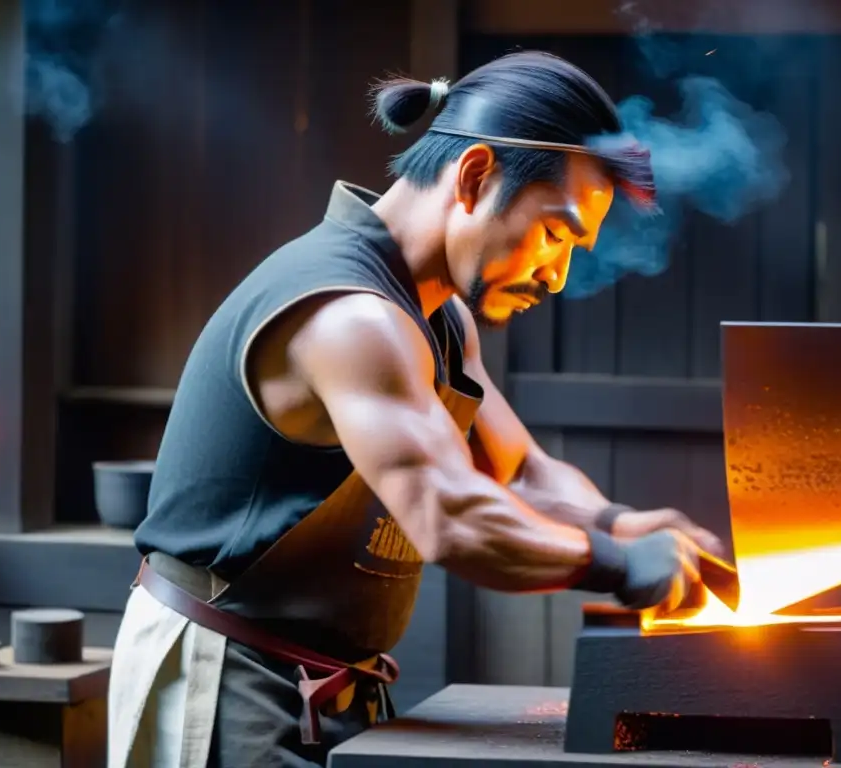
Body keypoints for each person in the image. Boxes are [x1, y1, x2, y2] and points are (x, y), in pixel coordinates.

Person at [107, 50, 727, 768]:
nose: (556, 274)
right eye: (556, 234)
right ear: (474, 177)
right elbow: (452, 515)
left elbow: (522, 473)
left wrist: (627, 524)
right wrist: (619, 562)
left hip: (326, 681)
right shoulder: (352, 318)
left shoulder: (439, 319)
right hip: (223, 680)